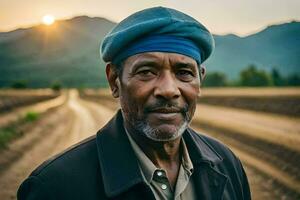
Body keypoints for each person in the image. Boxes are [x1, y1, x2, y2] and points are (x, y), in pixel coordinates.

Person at [17, 6, 251, 200]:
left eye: (184, 73)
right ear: (114, 81)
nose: (169, 90)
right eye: (147, 71)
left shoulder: (227, 165)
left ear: (200, 79)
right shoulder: (54, 188)